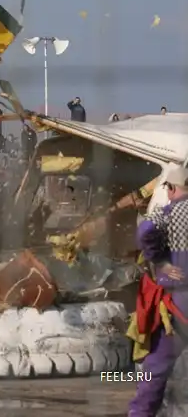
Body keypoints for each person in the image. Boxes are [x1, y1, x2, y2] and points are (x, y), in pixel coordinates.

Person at [128, 166, 188, 416]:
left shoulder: (170, 212)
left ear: (171, 188)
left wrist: (161, 262)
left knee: (156, 369)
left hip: (180, 302)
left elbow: (145, 231)